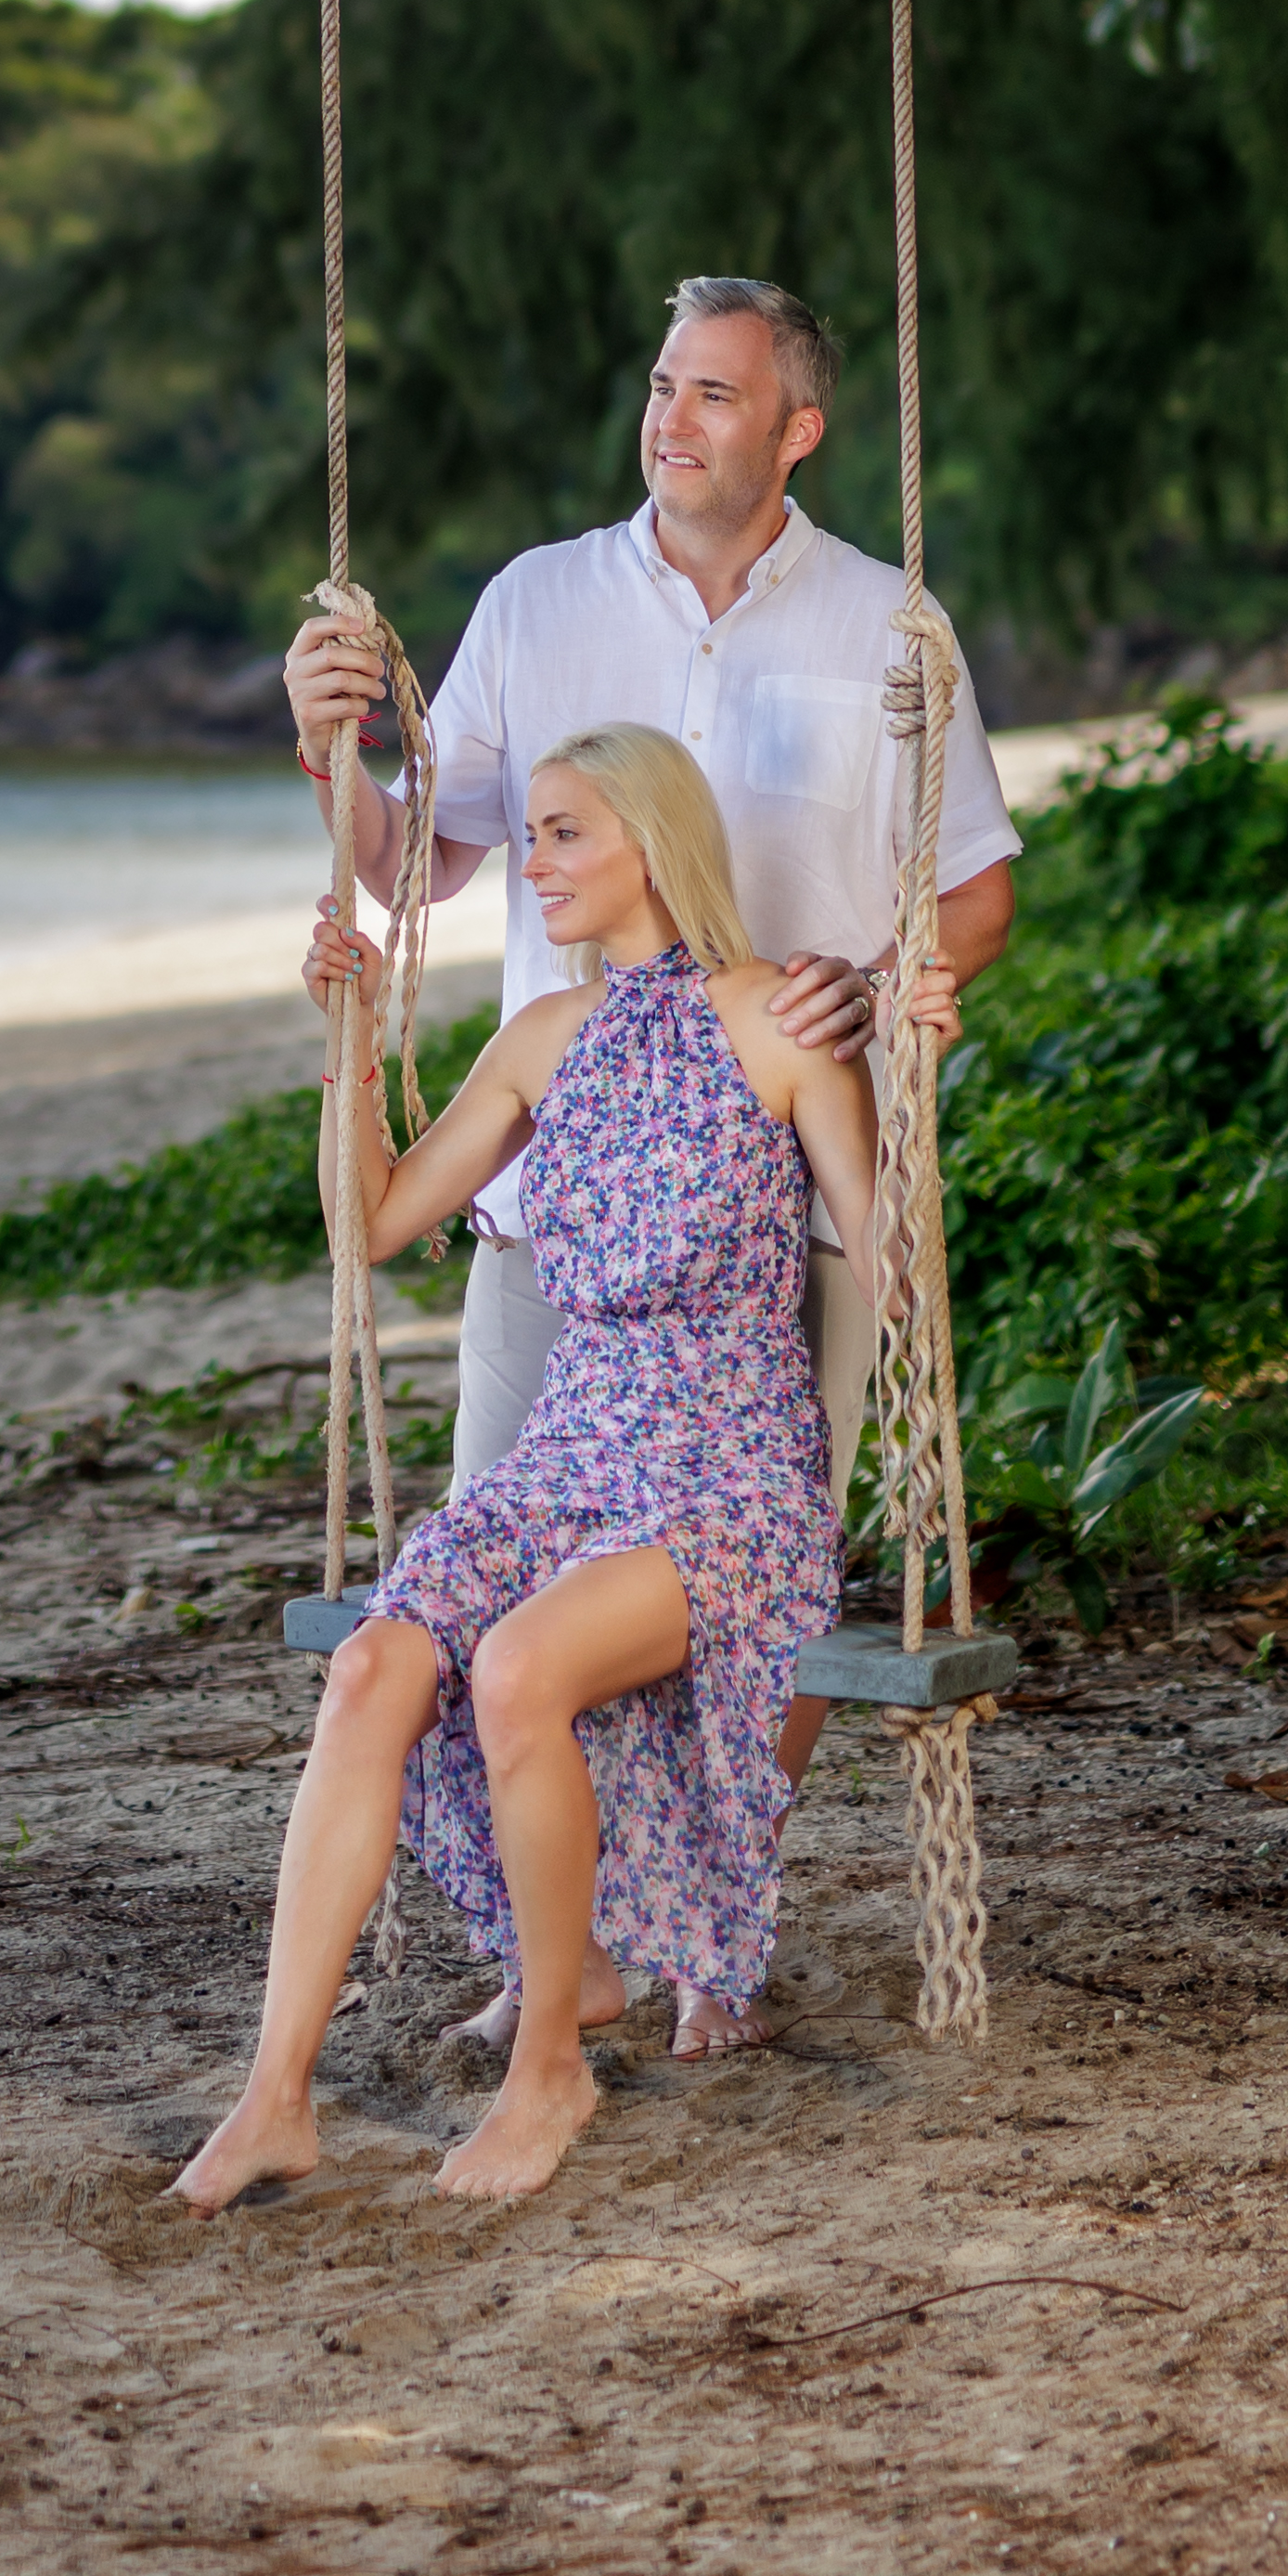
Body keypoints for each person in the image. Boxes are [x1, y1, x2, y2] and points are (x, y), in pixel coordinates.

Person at [288, 273, 1017, 1825]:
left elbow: (977, 895)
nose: (668, 420)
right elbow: (419, 862)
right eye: (660, 385)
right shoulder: (536, 601)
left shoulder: (888, 622)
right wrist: (327, 749)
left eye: (714, 394)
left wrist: (885, 986)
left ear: (799, 428)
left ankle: (708, 1929)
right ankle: (558, 1950)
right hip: (556, 1195)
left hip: (789, 1191)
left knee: (766, 1593)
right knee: (500, 1578)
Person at [174, 726, 882, 2214]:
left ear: (650, 838)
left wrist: (914, 1054)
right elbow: (369, 1224)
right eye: (536, 835)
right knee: (372, 1667)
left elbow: (892, 1255)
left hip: (726, 1470)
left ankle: (547, 2058)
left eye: (561, 833)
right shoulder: (541, 1038)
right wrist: (353, 1032)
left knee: (512, 1670)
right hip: (570, 1454)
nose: (533, 862)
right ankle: (275, 2092)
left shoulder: (781, 1021)